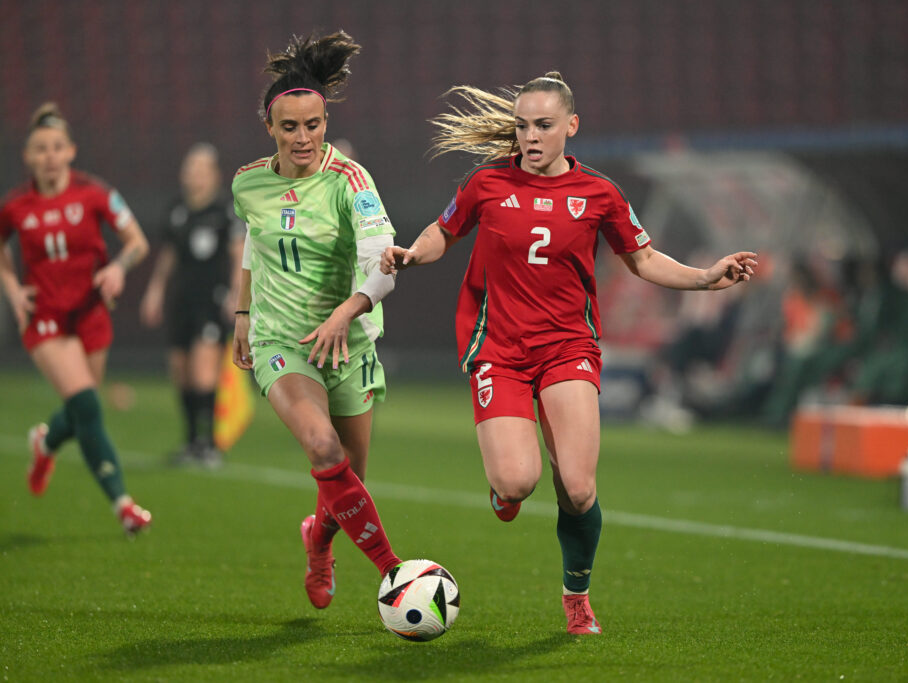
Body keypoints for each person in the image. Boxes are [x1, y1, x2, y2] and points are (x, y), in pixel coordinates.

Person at [382, 72, 757, 634]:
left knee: (579, 488)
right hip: (499, 350)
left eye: (543, 125)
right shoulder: (486, 183)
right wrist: (412, 254)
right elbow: (444, 231)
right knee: (515, 483)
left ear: (571, 127)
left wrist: (705, 277)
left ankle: (576, 595)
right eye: (523, 125)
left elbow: (643, 258)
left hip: (567, 349)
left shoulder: (600, 194)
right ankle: (502, 492)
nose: (530, 136)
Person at [231, 30, 402, 609]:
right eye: (290, 127)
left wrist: (345, 313)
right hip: (282, 341)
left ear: (325, 122)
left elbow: (383, 268)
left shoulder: (352, 182)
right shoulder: (247, 183)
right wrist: (242, 313)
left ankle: (318, 544)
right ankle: (395, 571)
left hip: (347, 345)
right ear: (270, 128)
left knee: (346, 480)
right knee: (325, 451)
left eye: (313, 124)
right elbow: (255, 245)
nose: (303, 138)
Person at [0, 102, 152, 535]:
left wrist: (118, 268)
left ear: (71, 151)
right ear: (28, 157)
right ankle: (123, 505)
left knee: (80, 405)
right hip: (45, 317)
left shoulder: (94, 193)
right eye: (39, 149)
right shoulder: (15, 207)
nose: (49, 156)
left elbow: (137, 242)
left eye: (56, 147)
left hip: (90, 313)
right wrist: (12, 288)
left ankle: (45, 442)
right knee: (87, 404)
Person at [140, 143, 245, 466]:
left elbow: (239, 255)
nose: (195, 175)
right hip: (181, 300)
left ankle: (208, 444)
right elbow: (169, 255)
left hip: (211, 300)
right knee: (181, 374)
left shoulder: (225, 211)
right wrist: (155, 291)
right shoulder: (176, 211)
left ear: (215, 175)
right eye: (191, 168)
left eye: (202, 169)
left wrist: (237, 295)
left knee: (203, 373)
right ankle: (190, 441)